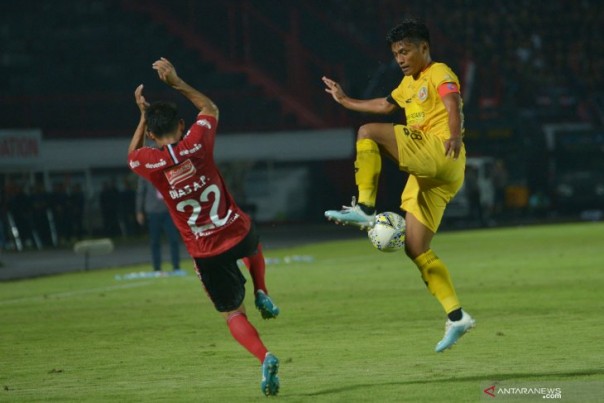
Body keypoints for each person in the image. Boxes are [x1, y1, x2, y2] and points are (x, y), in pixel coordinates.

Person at [127, 58, 280, 396]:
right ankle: (261, 290)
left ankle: (265, 356)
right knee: (253, 244)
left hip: (205, 250)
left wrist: (141, 115)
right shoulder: (197, 142)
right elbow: (209, 107)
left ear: (152, 135)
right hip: (235, 231)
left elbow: (132, 154)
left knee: (232, 314)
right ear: (181, 125)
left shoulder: (150, 162)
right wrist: (176, 81)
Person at [322, 18, 475, 352]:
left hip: (439, 151)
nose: (400, 59)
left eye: (405, 51)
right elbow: (384, 105)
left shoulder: (440, 72)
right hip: (433, 177)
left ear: (423, 47)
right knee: (416, 248)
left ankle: (364, 209)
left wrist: (453, 134)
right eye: (395, 53)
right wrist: (346, 101)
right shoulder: (408, 84)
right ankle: (457, 315)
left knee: (367, 133)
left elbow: (451, 102)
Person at [136, 177, 182, 273]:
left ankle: (176, 266)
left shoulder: (165, 171)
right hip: (153, 211)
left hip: (168, 210)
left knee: (174, 239)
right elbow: (140, 192)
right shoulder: (144, 174)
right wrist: (139, 211)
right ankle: (157, 267)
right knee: (154, 241)